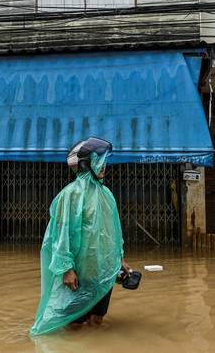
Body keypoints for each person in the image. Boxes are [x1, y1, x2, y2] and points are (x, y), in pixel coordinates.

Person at [29, 137, 132, 336]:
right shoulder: (70, 195)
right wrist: (66, 269)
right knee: (74, 324)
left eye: (104, 161)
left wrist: (120, 259)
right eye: (99, 161)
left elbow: (114, 232)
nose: (104, 166)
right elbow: (61, 236)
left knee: (97, 320)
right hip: (80, 271)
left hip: (103, 270)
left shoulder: (107, 195)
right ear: (86, 164)